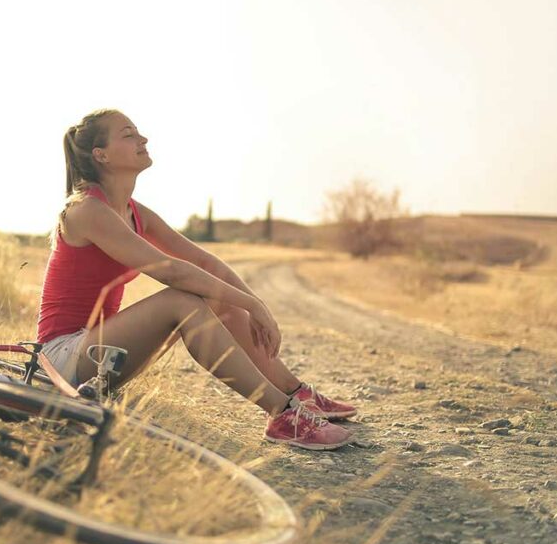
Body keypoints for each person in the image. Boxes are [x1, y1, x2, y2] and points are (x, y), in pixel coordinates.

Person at [36, 109, 357, 450]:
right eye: (128, 134)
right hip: (61, 359)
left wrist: (253, 304)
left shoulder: (134, 212)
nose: (142, 139)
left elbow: (202, 260)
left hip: (103, 356)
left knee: (220, 299)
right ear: (101, 155)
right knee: (182, 300)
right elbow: (171, 270)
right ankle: (282, 414)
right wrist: (251, 303)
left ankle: (296, 394)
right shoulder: (86, 210)